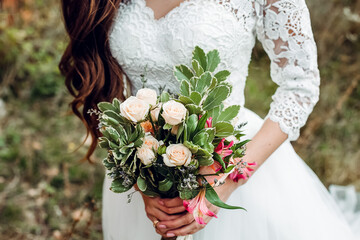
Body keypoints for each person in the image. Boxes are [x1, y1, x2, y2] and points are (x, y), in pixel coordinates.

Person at [59, 0, 357, 239]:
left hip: (237, 165)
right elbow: (106, 91)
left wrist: (226, 180)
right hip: (144, 176)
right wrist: (143, 181)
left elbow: (300, 86)